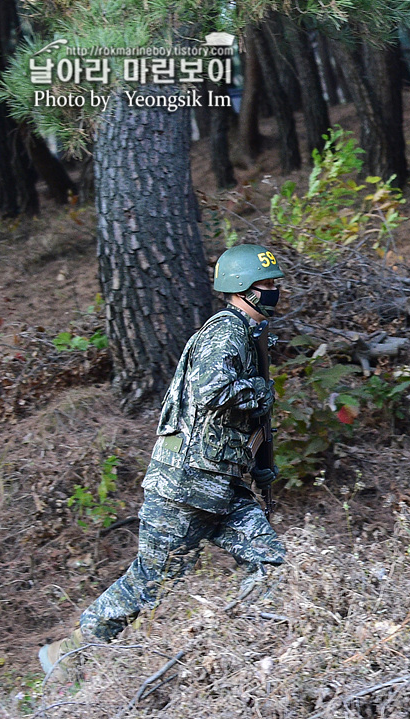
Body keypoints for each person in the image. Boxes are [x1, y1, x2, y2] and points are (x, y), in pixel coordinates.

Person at [39, 244, 286, 676]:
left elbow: (224, 421)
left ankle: (252, 649)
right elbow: (212, 392)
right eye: (267, 286)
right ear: (242, 288)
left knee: (270, 562)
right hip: (185, 487)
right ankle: (69, 656)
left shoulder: (246, 335)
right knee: (151, 581)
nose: (274, 293)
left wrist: (255, 463)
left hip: (218, 487)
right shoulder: (224, 331)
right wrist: (262, 393)